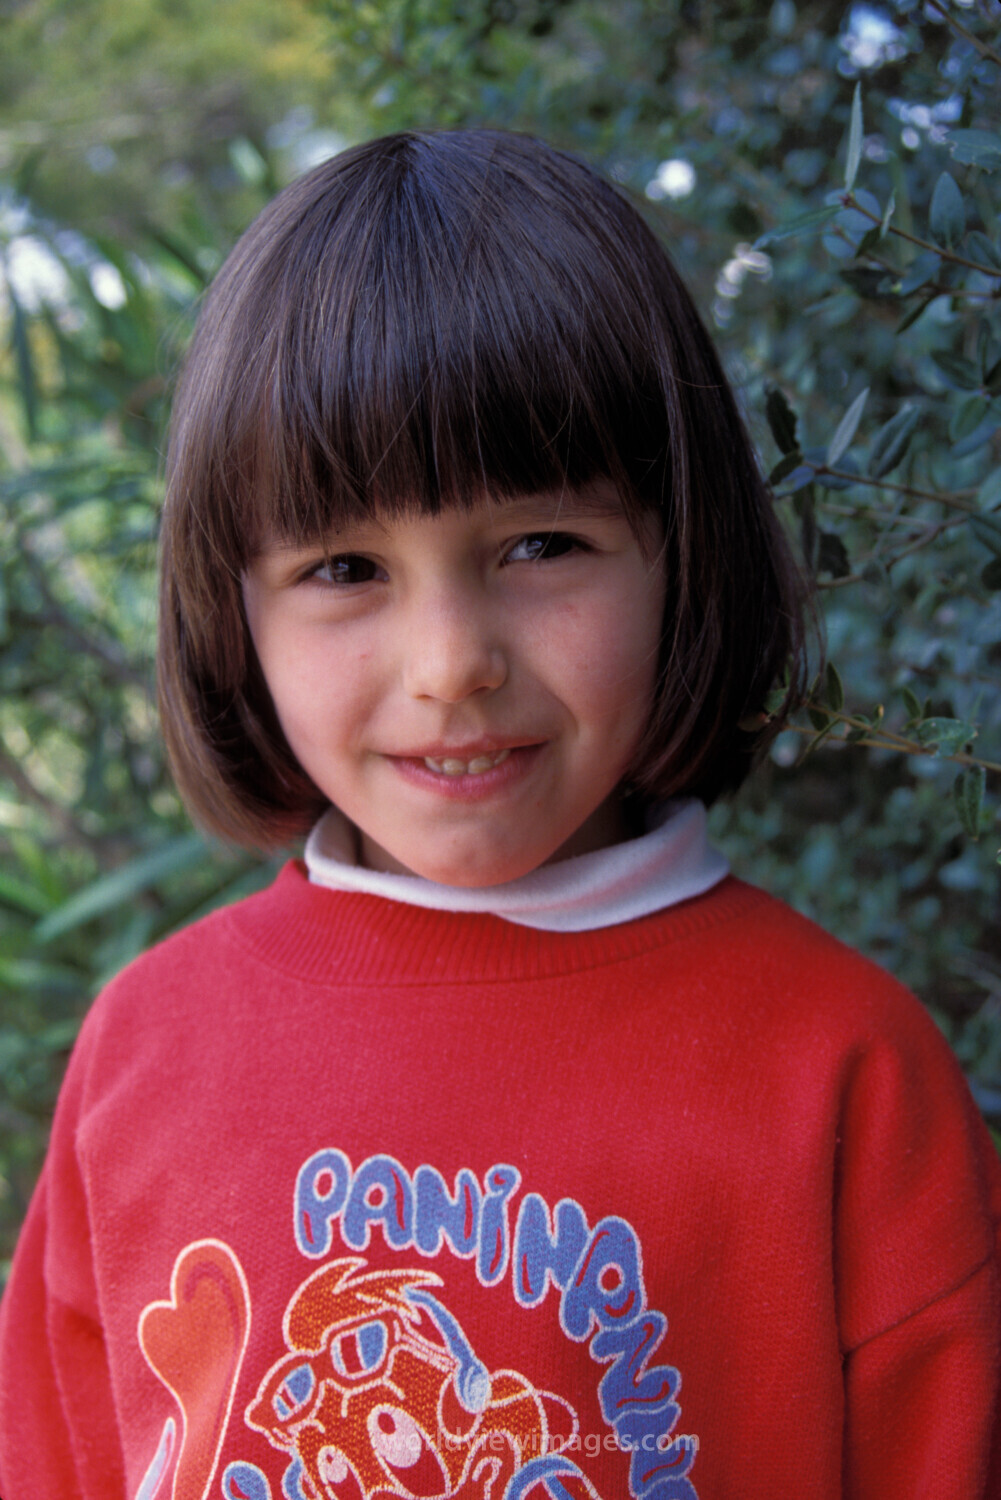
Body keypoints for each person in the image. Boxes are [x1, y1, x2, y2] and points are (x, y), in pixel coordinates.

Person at [0, 129, 998, 1500]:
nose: (451, 661)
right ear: (234, 614)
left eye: (539, 546)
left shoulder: (842, 1076)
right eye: (345, 567)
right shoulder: (142, 1057)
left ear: (679, 552)